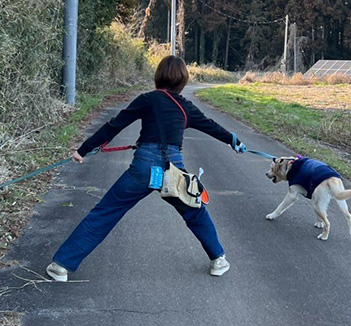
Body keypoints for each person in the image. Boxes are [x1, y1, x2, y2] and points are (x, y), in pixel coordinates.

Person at [45, 55, 247, 282]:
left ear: (158, 76)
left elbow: (114, 125)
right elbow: (211, 126)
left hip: (142, 166)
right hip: (174, 171)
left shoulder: (147, 99)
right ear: (183, 81)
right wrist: (234, 141)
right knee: (195, 210)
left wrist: (83, 150)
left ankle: (61, 266)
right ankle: (218, 260)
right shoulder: (185, 107)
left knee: (106, 211)